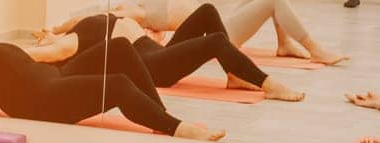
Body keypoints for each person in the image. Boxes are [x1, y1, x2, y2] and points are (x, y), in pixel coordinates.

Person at [0, 37, 227, 140]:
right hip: (44, 99)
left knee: (122, 49)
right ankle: (177, 128)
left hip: (52, 76)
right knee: (118, 84)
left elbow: (40, 55)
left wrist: (54, 46)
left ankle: (156, 111)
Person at [22, 10, 305, 101]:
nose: (44, 34)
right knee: (216, 41)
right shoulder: (71, 43)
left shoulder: (80, 25)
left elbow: (71, 20)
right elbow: (46, 53)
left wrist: (55, 27)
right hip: (154, 67)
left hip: (158, 52)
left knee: (207, 11)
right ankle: (267, 83)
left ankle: (233, 74)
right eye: (43, 37)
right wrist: (37, 47)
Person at [96, 0, 347, 62]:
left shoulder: (146, 7)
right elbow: (107, 18)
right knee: (272, 1)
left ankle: (285, 44)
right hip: (219, 31)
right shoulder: (137, 12)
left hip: (219, 21)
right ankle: (315, 50)